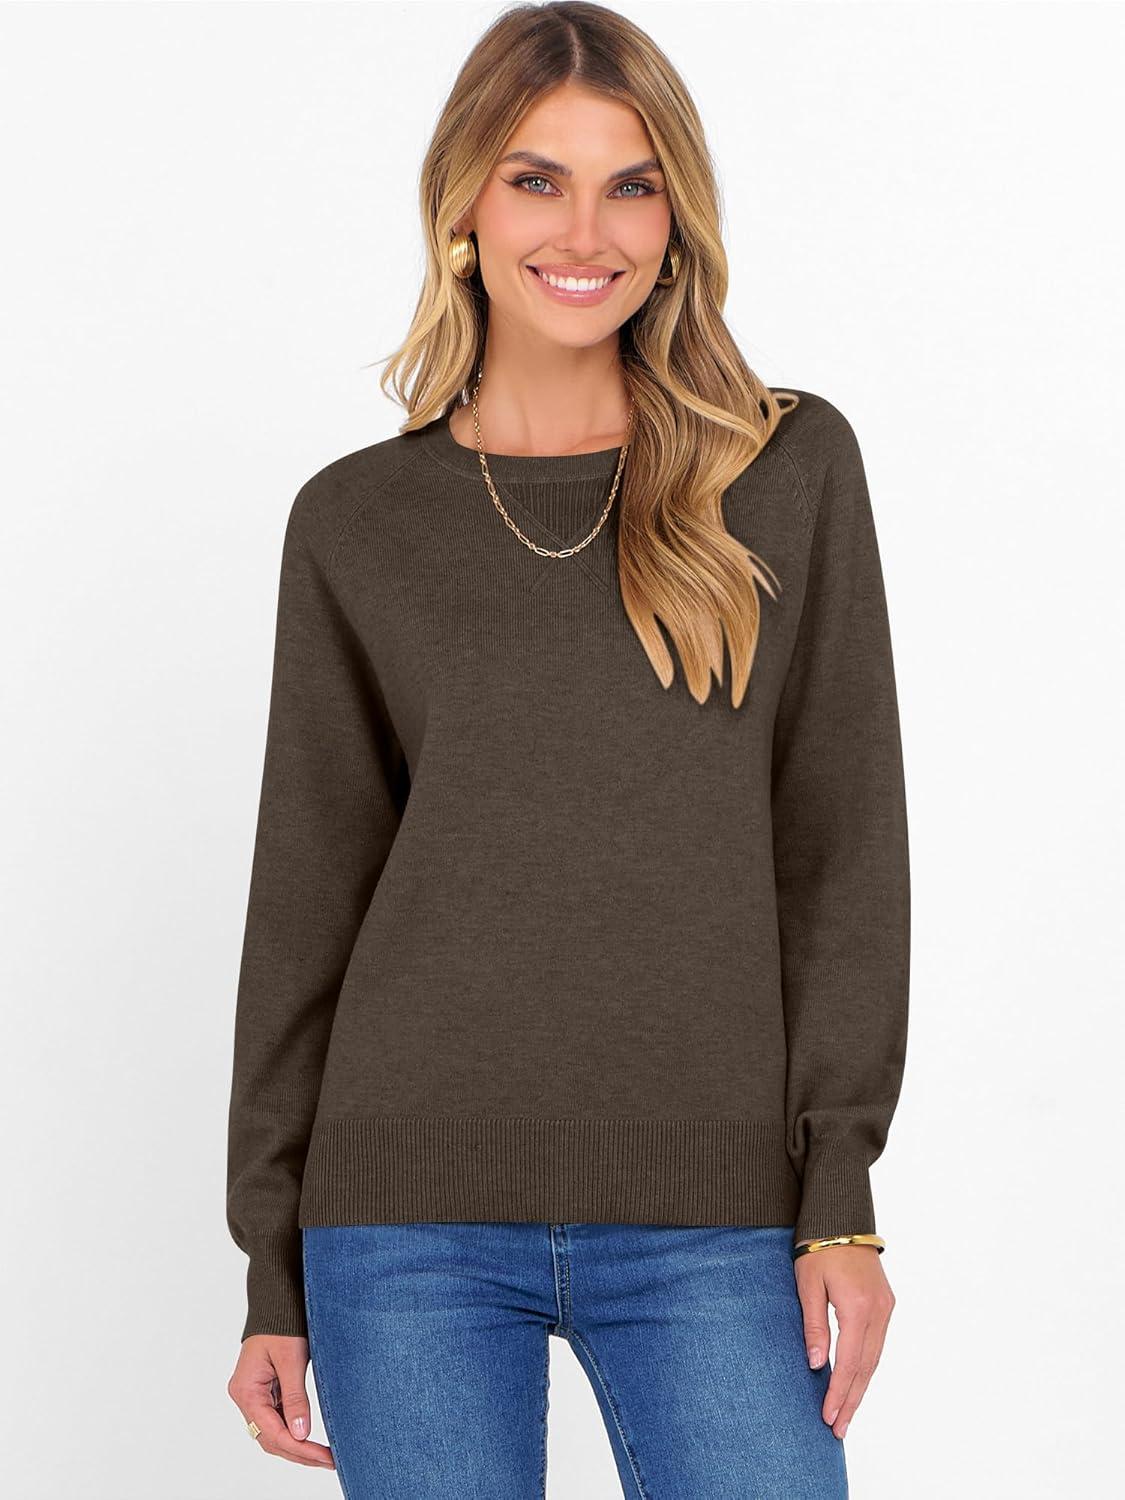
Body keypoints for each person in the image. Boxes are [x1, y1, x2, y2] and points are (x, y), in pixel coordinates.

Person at [224, 4, 909, 1495]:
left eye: (631, 184)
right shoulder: (356, 522)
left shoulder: (783, 470)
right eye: (536, 179)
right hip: (400, 1221)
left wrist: (838, 1195)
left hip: (718, 1218)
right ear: (463, 204)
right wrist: (272, 1267)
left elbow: (840, 849)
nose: (585, 231)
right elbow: (308, 903)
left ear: (676, 217)